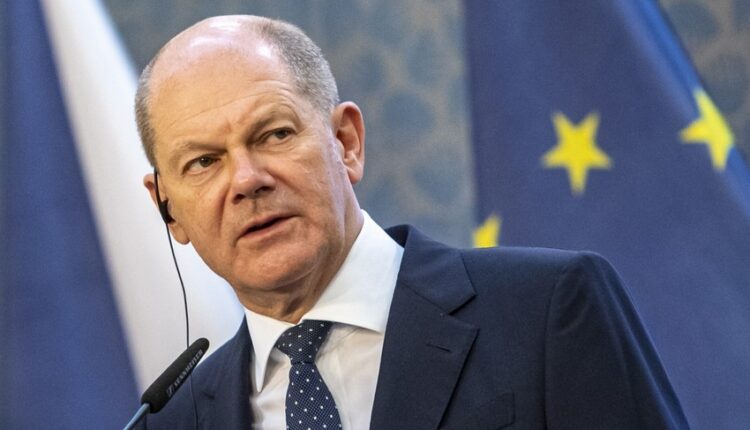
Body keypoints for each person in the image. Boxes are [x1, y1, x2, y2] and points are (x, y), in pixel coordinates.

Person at [134, 15, 689, 430]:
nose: (246, 180)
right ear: (168, 208)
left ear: (346, 143)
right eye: (203, 162)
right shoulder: (172, 421)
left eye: (275, 134)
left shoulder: (546, 312)